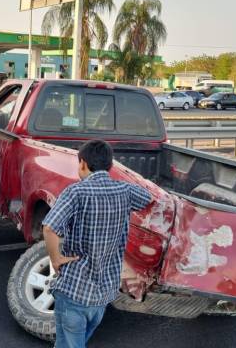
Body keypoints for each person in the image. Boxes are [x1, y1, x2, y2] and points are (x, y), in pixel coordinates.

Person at [42, 139, 152, 348]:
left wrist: (56, 259)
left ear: (83, 163)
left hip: (74, 290)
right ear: (110, 165)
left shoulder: (76, 192)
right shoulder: (125, 191)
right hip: (102, 295)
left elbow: (49, 228)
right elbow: (147, 197)